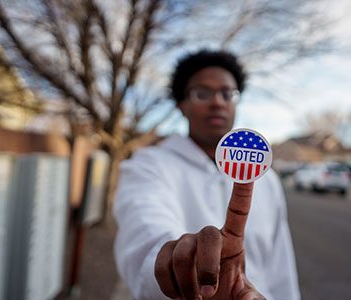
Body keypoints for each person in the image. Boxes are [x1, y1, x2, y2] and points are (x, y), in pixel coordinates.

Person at [114, 49, 300, 300]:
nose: (218, 102)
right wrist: (178, 262)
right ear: (182, 106)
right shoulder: (149, 166)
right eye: (203, 93)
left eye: (228, 94)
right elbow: (144, 233)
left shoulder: (266, 179)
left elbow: (281, 268)